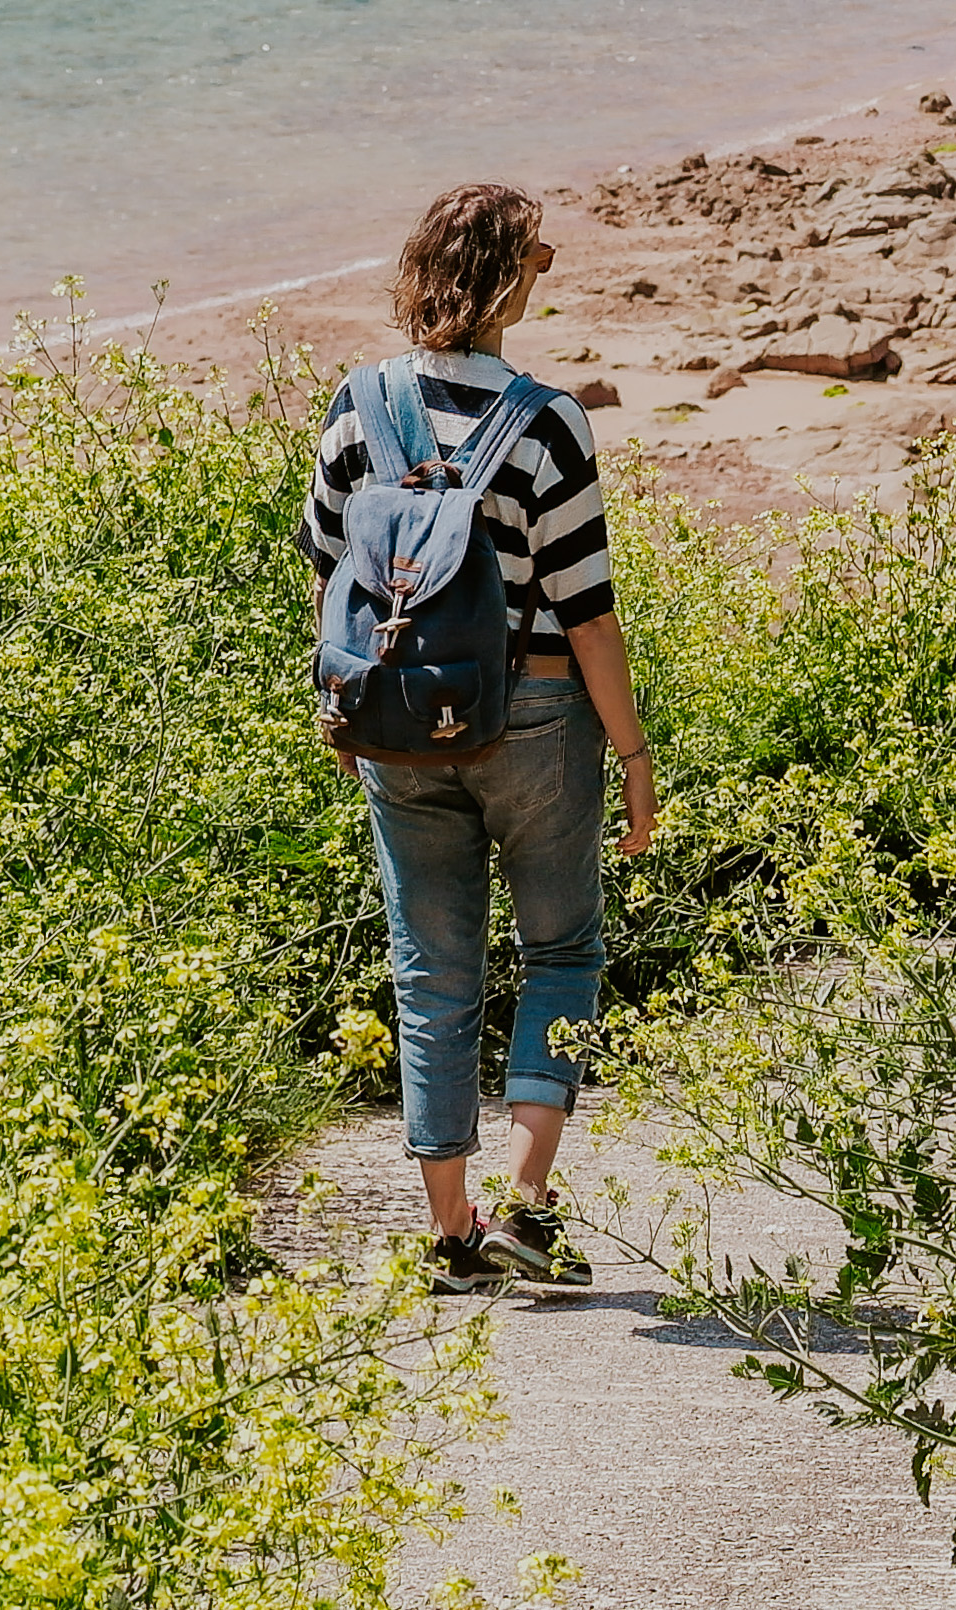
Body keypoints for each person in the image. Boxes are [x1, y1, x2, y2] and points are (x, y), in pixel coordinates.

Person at [305, 181, 658, 1292]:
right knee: (561, 953)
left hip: (397, 720)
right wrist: (635, 756)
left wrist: (344, 706)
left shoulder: (356, 407)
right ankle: (526, 1205)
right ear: (512, 276)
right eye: (540, 254)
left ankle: (451, 1234)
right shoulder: (548, 421)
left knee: (432, 976)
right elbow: (589, 608)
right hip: (540, 715)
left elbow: (327, 568)